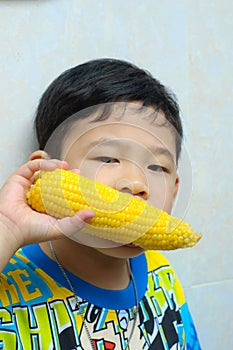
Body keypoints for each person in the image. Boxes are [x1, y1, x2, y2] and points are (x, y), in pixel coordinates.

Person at [0, 58, 201, 349]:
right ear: (47, 174)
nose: (136, 184)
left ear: (175, 190)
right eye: (108, 159)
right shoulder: (9, 282)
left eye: (157, 167)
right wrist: (6, 228)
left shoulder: (162, 275)